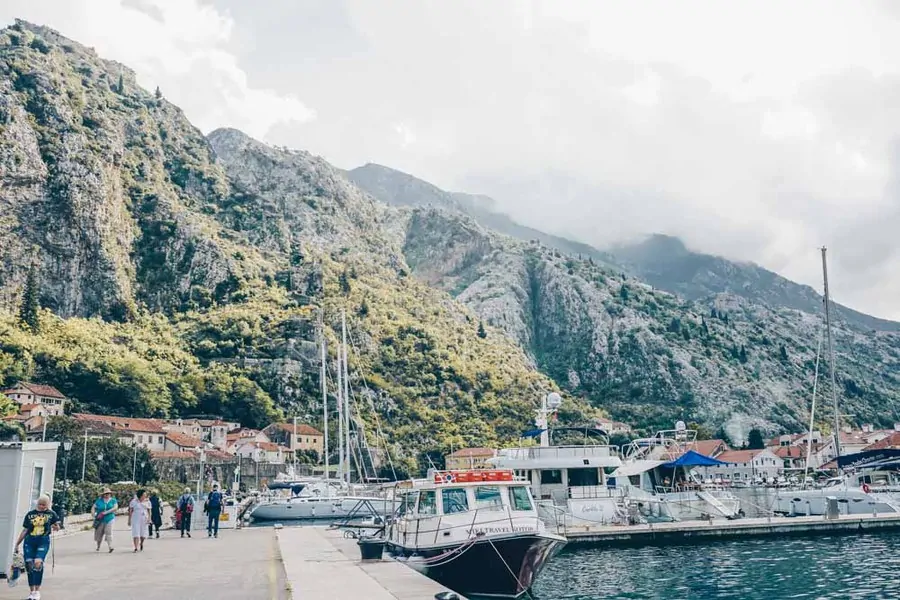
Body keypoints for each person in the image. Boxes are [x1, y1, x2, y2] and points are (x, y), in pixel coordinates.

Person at [14, 494, 60, 600]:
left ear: (48, 505)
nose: (41, 506)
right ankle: (32, 592)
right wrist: (17, 543)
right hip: (29, 542)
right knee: (29, 565)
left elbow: (57, 527)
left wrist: (54, 526)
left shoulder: (51, 514)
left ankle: (37, 591)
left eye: (44, 505)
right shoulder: (30, 514)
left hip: (43, 542)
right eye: (40, 504)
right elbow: (25, 530)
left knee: (38, 563)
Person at [92, 487, 117, 553]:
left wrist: (106, 512)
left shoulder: (113, 500)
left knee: (109, 532)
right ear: (103, 495)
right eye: (106, 494)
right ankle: (98, 546)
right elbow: (93, 507)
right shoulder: (99, 501)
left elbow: (115, 507)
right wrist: (93, 514)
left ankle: (110, 546)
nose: (107, 495)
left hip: (109, 518)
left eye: (108, 494)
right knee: (99, 533)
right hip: (100, 519)